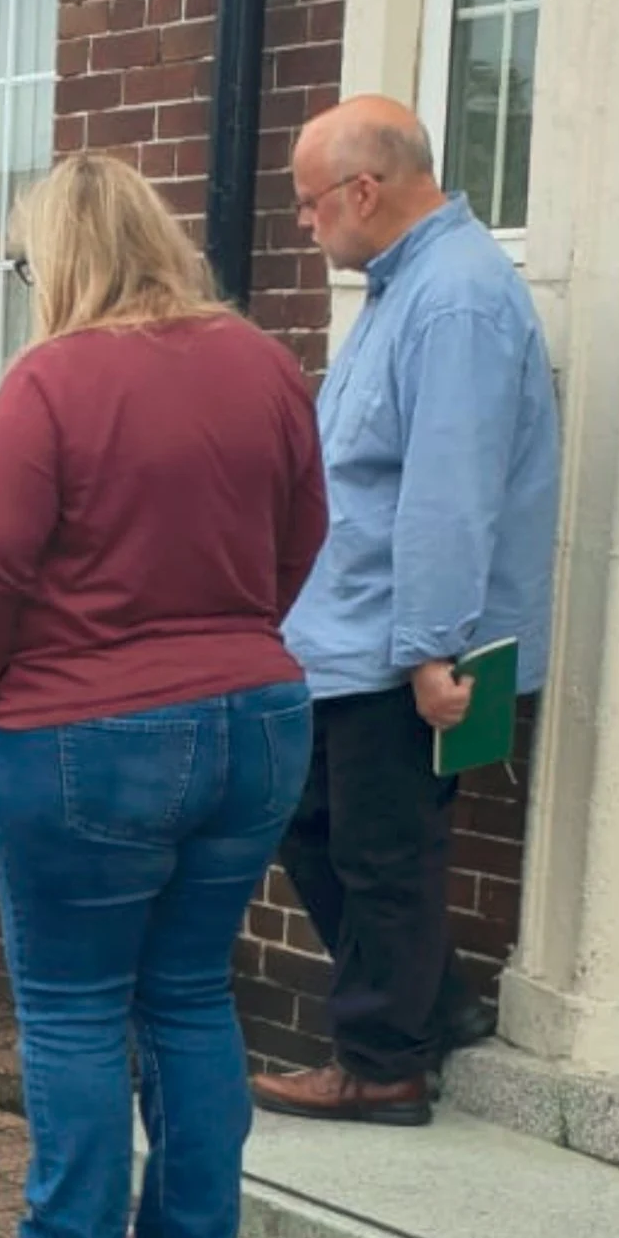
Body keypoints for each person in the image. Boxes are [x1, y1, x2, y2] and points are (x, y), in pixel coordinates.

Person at [0, 152, 327, 1238]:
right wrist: (241, 632)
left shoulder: (51, 379)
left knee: (73, 1002)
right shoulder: (263, 362)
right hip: (256, 715)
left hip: (81, 726)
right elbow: (304, 530)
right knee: (192, 988)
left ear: (55, 258)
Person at [257, 95, 559, 1126]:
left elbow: (448, 488)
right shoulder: (402, 287)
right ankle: (432, 1001)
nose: (305, 225)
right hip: (345, 638)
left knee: (381, 852)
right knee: (309, 823)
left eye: (307, 205)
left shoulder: (456, 297)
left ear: (363, 190)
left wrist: (434, 649)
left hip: (397, 648)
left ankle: (382, 1061)